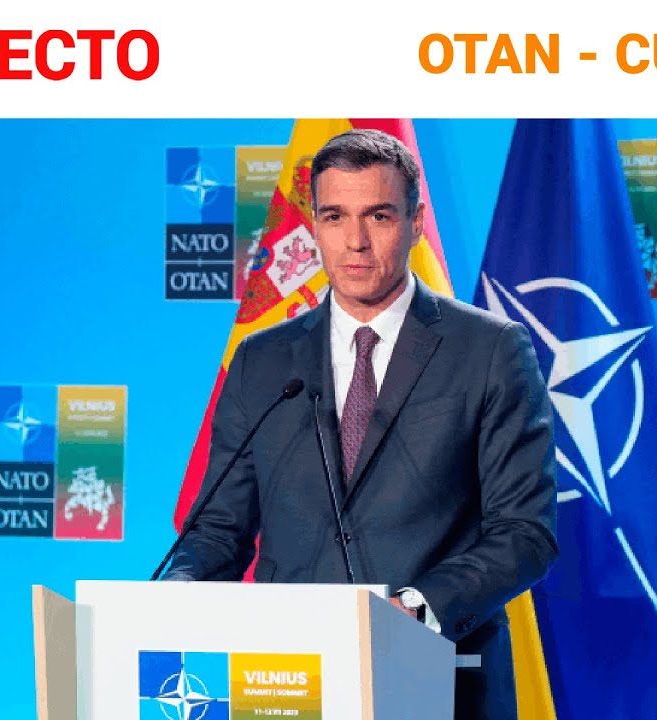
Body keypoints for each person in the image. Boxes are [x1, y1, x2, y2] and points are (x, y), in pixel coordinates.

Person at [163, 128, 558, 719]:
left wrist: (416, 609)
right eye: (334, 217)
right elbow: (219, 529)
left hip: (439, 683)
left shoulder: (491, 350)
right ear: (314, 226)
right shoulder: (261, 362)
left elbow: (525, 533)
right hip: (288, 685)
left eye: (378, 215)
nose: (355, 241)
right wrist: (176, 594)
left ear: (415, 222)